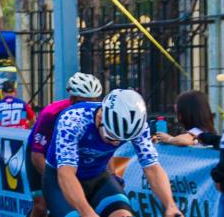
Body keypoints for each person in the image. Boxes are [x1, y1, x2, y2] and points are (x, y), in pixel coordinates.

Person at [44, 89, 182, 217]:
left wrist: (170, 206)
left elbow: (152, 168)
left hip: (98, 176)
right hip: (59, 179)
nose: (115, 143)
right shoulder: (73, 120)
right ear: (100, 119)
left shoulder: (138, 127)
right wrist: (87, 212)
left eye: (122, 140)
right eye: (111, 137)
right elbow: (66, 174)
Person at [25, 72, 102, 217]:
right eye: (84, 101)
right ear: (72, 99)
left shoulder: (100, 115)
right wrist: (57, 182)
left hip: (67, 159)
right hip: (42, 156)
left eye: (94, 100)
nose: (89, 106)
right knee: (41, 206)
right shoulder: (51, 113)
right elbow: (36, 156)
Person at [154, 90, 218, 146]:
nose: (178, 117)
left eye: (178, 113)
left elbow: (183, 140)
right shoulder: (208, 131)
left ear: (186, 114)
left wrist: (169, 139)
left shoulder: (197, 131)